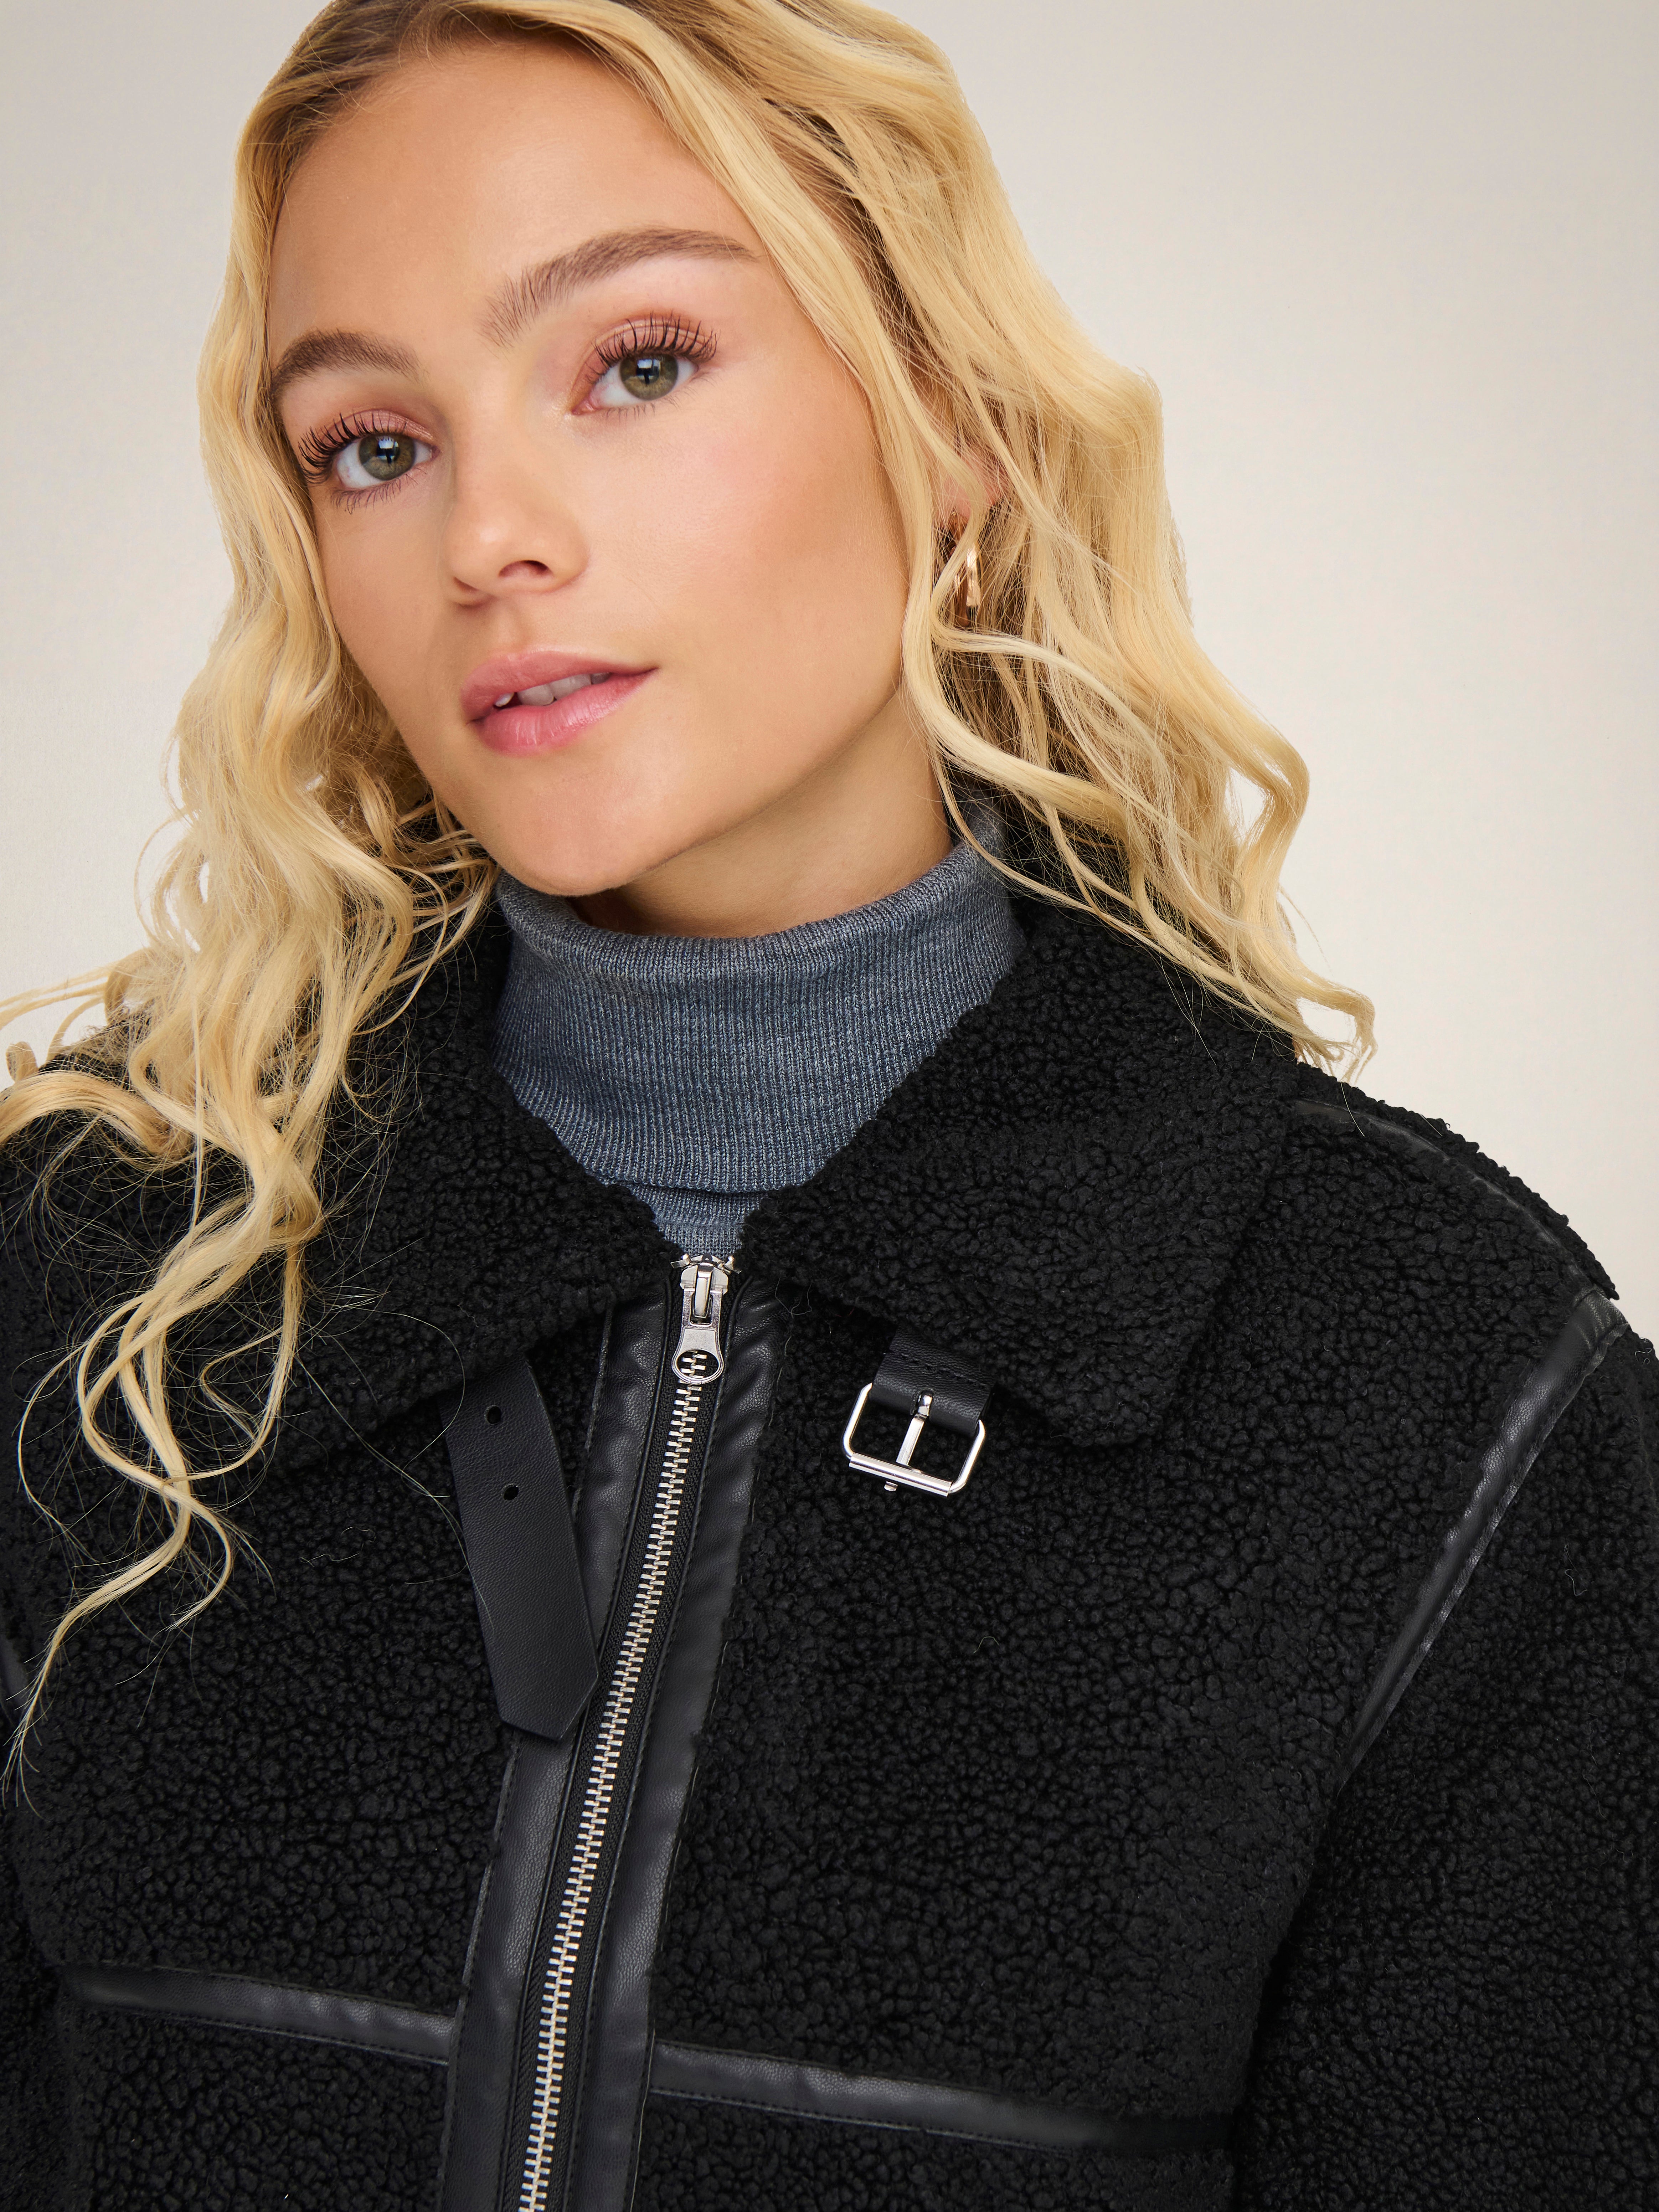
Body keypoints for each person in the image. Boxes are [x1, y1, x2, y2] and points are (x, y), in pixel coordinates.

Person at [1, 1, 1653, 2206]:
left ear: (950, 421)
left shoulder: (1440, 1388)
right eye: (375, 443)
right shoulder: (104, 1289)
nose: (490, 532)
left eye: (638, 363)